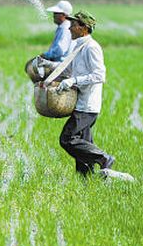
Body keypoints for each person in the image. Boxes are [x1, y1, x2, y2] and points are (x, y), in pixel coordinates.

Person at [37, 10, 115, 175]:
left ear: (84, 28)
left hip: (87, 105)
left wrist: (73, 81)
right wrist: (47, 65)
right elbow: (68, 70)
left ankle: (103, 158)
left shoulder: (92, 47)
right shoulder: (78, 46)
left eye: (73, 25)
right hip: (80, 103)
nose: (70, 28)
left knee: (67, 139)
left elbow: (99, 75)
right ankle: (86, 179)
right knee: (83, 142)